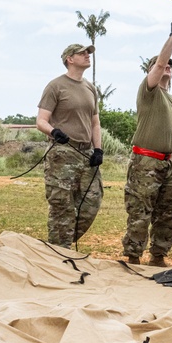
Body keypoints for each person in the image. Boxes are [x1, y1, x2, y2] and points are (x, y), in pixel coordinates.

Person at [121, 16, 172, 266]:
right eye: (163, 65)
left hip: (167, 164)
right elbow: (159, 65)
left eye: (171, 65)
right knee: (140, 211)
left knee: (168, 212)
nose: (167, 67)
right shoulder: (148, 92)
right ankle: (134, 257)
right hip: (145, 162)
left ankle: (158, 256)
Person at [36, 43, 103, 249]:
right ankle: (59, 251)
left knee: (92, 203)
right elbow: (41, 120)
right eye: (82, 53)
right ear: (69, 59)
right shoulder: (55, 86)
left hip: (86, 153)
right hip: (62, 153)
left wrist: (98, 149)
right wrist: (54, 131)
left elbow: (95, 122)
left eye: (88, 53)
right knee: (61, 206)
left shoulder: (90, 88)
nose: (87, 55)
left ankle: (60, 244)